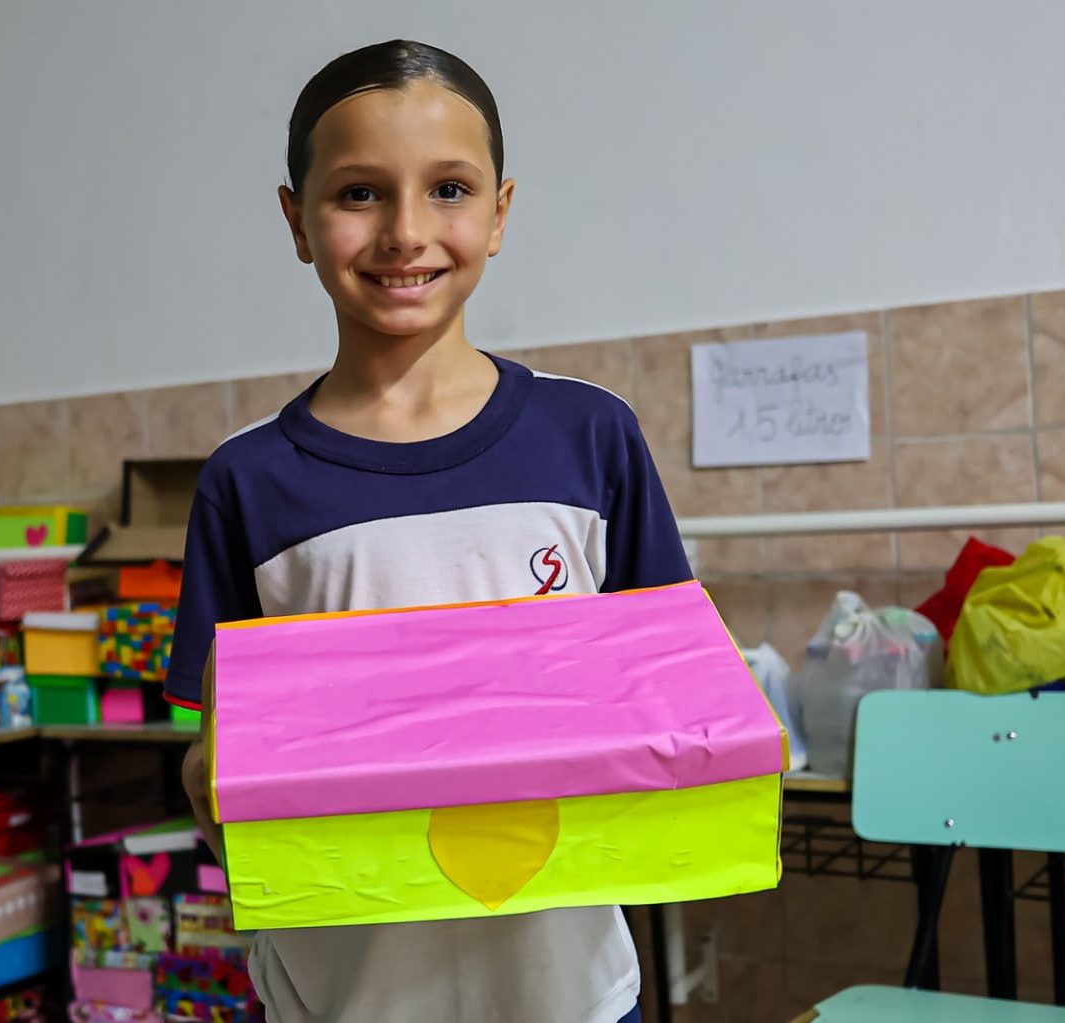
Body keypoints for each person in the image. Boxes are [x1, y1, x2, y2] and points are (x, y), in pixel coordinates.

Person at [165, 39, 688, 1023]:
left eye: (449, 189)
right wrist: (209, 779)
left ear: (500, 213)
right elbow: (212, 739)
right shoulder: (249, 480)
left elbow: (667, 691)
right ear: (297, 219)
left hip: (568, 994)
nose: (406, 232)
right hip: (342, 997)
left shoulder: (590, 435)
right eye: (359, 193)